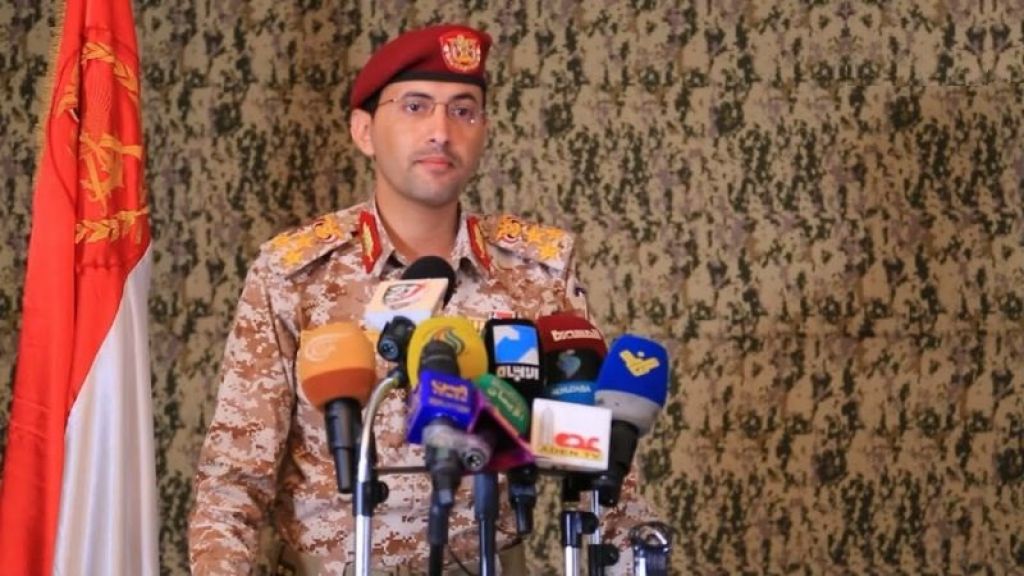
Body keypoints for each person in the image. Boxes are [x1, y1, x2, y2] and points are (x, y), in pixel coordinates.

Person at [188, 24, 652, 575]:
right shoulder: (295, 274)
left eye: (463, 111)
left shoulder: (535, 272)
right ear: (364, 131)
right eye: (415, 106)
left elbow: (600, 462)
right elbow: (235, 482)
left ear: (484, 131)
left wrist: (633, 560)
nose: (440, 131)